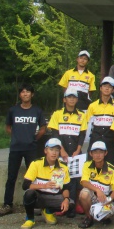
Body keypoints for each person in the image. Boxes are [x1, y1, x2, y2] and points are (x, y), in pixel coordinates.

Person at [0, 83, 47, 217]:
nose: (25, 94)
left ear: (32, 94)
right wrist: (17, 136)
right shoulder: (13, 110)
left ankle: (35, 205)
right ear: (20, 95)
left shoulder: (37, 110)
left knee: (34, 178)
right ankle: (7, 204)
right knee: (11, 177)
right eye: (23, 92)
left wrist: (34, 138)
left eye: (28, 92)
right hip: (15, 148)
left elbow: (43, 128)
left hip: (31, 148)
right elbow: (8, 127)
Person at [47, 87, 87, 216]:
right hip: (61, 152)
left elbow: (82, 134)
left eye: (74, 97)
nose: (72, 99)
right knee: (60, 178)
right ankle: (59, 205)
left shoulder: (82, 115)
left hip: (76, 152)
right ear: (65, 99)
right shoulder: (57, 114)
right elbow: (55, 133)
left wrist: (78, 150)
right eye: (69, 97)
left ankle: (72, 205)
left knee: (75, 179)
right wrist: (61, 150)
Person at [20, 138, 71, 229]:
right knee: (29, 194)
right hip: (38, 196)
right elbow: (25, 185)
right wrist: (44, 186)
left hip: (53, 196)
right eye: (51, 150)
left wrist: (66, 199)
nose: (54, 153)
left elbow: (66, 187)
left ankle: (48, 211)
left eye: (57, 150)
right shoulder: (36, 164)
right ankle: (30, 219)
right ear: (45, 150)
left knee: (70, 204)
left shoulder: (63, 166)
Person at [78, 141, 114, 229]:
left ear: (105, 153)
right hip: (94, 197)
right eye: (95, 152)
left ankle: (103, 217)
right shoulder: (87, 165)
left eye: (101, 152)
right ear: (91, 153)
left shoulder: (112, 169)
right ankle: (89, 217)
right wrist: (97, 190)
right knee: (84, 194)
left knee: (105, 215)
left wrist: (108, 200)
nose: (98, 155)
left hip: (106, 200)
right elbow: (84, 182)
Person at [86, 76, 114, 166]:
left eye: (110, 87)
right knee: (92, 164)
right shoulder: (92, 106)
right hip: (95, 138)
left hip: (110, 139)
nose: (107, 88)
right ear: (100, 88)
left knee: (110, 166)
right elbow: (88, 124)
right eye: (105, 86)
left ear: (112, 90)